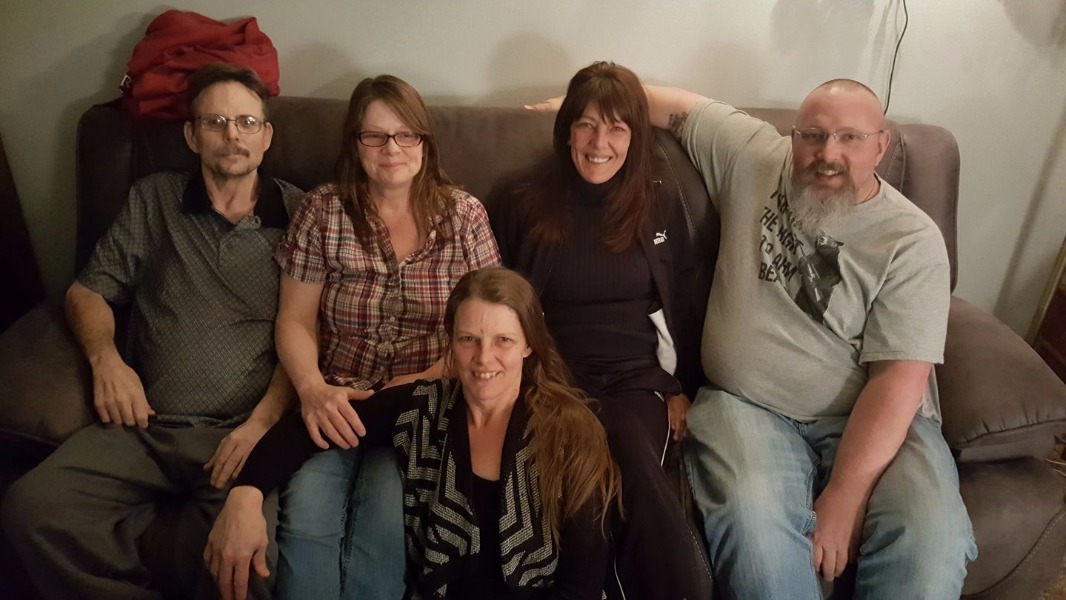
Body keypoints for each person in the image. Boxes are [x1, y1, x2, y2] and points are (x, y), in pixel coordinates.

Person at [640, 79, 978, 597]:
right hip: (746, 406)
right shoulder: (752, 155)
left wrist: (845, 496)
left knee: (932, 542)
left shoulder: (911, 241)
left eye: (850, 138)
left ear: (881, 146)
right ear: (793, 136)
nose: (828, 154)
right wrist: (584, 104)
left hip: (874, 417)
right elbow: (674, 107)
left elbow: (899, 380)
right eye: (813, 136)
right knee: (757, 541)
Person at [0, 63, 303, 599]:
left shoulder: (303, 214)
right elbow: (87, 291)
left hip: (237, 437)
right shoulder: (153, 199)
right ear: (191, 135)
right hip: (143, 426)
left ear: (266, 135)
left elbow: (308, 335)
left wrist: (262, 425)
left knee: (246, 566)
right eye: (215, 122)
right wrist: (106, 362)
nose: (232, 135)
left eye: (247, 122)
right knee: (32, 508)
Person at [205, 266, 619, 600]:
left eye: (503, 341)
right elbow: (312, 425)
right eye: (469, 339)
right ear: (450, 343)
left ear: (529, 345)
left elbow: (582, 584)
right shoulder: (424, 408)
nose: (483, 358)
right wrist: (246, 495)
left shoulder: (570, 432)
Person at [272, 74, 500, 599]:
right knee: (306, 515)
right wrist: (311, 389)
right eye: (374, 136)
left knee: (385, 521)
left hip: (421, 409)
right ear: (355, 144)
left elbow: (488, 327)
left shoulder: (464, 217)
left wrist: (423, 380)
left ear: (425, 141)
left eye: (405, 134)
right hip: (336, 401)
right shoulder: (322, 211)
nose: (391, 149)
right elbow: (294, 319)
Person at [496, 61, 712, 599]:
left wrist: (682, 386)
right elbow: (499, 303)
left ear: (635, 138)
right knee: (591, 467)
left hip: (636, 378)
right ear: (567, 130)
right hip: (553, 379)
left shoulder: (659, 204)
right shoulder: (522, 200)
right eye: (587, 125)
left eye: (617, 128)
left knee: (632, 452)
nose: (600, 143)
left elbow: (685, 303)